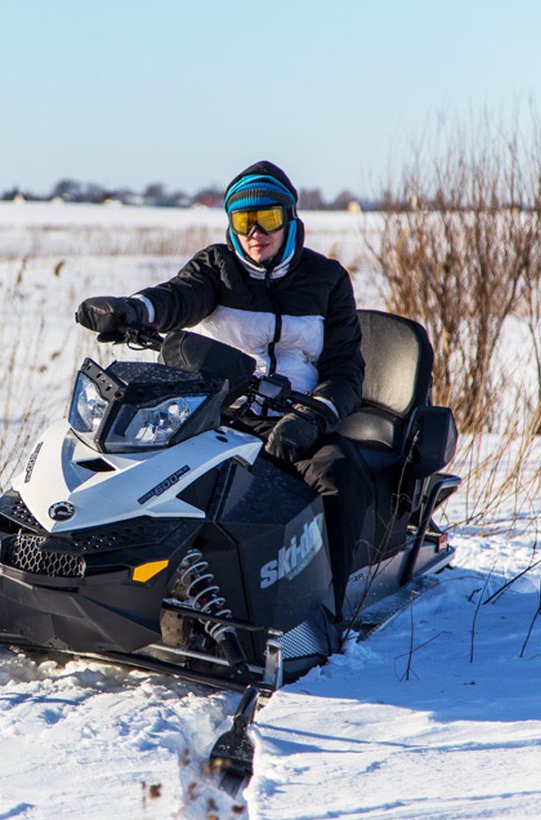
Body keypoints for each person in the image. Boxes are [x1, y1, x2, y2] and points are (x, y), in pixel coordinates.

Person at [74, 160, 372, 620]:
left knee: (338, 474)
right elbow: (176, 297)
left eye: (268, 218)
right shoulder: (218, 266)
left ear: (290, 220)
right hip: (220, 409)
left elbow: (346, 370)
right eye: (243, 220)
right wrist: (133, 310)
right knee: (138, 464)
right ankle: (106, 579)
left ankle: (325, 608)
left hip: (297, 416)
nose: (256, 232)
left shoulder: (327, 280)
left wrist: (312, 417)